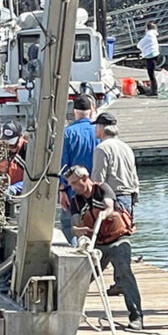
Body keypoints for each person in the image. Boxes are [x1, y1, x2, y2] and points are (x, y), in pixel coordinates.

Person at [66, 165, 143, 330]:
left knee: (124, 271)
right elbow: (73, 225)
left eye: (74, 183)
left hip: (117, 239)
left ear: (85, 179)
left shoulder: (102, 189)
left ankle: (136, 317)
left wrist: (105, 213)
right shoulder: (76, 201)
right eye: (70, 184)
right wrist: (79, 230)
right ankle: (70, 315)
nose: (72, 188)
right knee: (80, 278)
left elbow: (109, 205)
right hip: (97, 245)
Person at [58, 93, 96, 241]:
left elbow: (63, 165)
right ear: (91, 111)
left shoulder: (67, 133)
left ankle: (75, 251)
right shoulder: (98, 131)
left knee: (70, 225)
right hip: (93, 188)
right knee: (93, 222)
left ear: (74, 112)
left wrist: (62, 190)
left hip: (72, 189)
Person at [91, 111, 139, 210]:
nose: (95, 129)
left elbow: (98, 178)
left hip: (112, 199)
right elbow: (134, 176)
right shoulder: (126, 147)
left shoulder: (102, 148)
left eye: (96, 126)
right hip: (128, 196)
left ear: (101, 128)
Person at [137, 21, 161, 96]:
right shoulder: (153, 35)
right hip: (154, 55)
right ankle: (153, 89)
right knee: (152, 74)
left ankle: (154, 91)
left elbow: (139, 44)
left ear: (147, 28)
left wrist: (141, 48)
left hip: (150, 56)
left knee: (151, 74)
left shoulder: (149, 35)